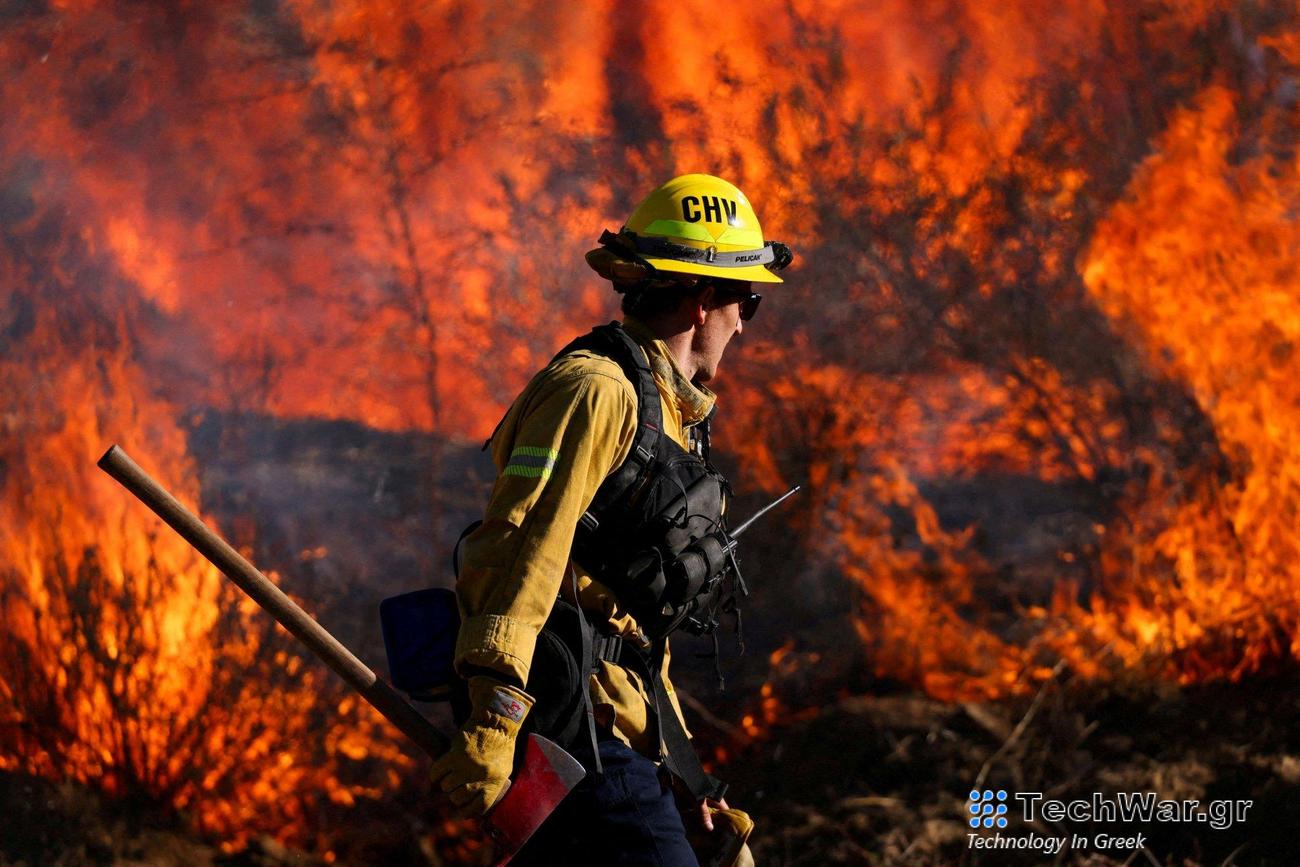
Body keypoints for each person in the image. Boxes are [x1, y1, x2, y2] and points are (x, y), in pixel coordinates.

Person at [429, 174, 792, 866]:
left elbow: (630, 635)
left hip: (620, 729)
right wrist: (497, 716)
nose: (745, 321)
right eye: (747, 300)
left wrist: (689, 785)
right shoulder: (596, 393)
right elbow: (517, 554)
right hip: (568, 734)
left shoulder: (666, 413)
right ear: (701, 297)